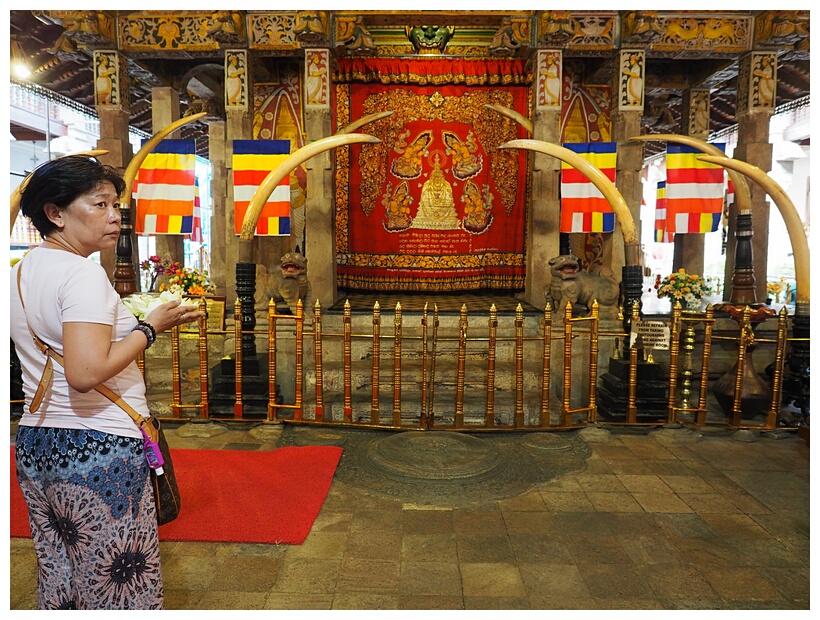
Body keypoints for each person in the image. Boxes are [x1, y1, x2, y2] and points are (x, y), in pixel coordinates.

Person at [9, 155, 205, 609]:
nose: (115, 216)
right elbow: (85, 372)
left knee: (61, 573)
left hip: (37, 442)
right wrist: (151, 327)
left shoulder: (20, 272)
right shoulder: (81, 273)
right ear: (54, 214)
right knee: (119, 586)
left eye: (116, 205)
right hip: (97, 448)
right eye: (99, 204)